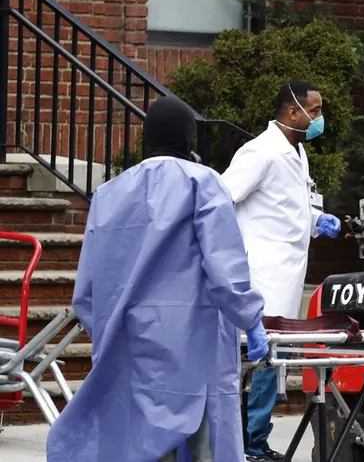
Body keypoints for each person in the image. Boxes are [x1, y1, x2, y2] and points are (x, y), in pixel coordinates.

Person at [47, 97, 270, 462]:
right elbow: (226, 272)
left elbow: (86, 292)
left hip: (130, 342)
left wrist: (109, 332)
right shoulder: (204, 185)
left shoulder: (108, 194)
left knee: (139, 444)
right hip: (195, 348)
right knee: (203, 447)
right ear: (188, 137)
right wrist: (251, 318)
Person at [222, 81, 343, 462]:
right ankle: (248, 444)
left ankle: (255, 441)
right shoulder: (259, 152)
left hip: (288, 273)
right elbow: (222, 198)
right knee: (260, 363)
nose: (320, 118)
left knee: (274, 362)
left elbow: (290, 207)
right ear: (294, 113)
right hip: (262, 273)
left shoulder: (297, 152)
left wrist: (317, 219)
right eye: (316, 110)